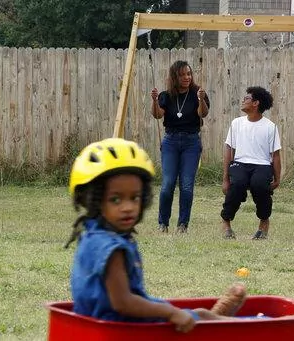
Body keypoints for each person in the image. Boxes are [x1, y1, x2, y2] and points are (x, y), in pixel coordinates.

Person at [65, 138, 249, 333]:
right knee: (197, 317)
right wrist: (169, 312)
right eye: (115, 199)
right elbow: (123, 303)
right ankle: (240, 328)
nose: (128, 207)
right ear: (93, 200)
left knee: (200, 314)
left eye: (134, 198)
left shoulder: (93, 236)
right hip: (123, 327)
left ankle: (218, 317)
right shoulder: (110, 248)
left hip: (102, 321)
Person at [150, 60, 210, 233]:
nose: (187, 77)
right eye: (182, 74)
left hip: (191, 141)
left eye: (189, 74)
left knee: (186, 185)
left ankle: (182, 224)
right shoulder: (166, 95)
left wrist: (201, 100)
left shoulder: (198, 93)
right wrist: (154, 100)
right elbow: (157, 115)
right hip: (171, 141)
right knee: (168, 183)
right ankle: (163, 223)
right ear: (175, 77)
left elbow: (203, 113)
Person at [220, 86, 282, 240]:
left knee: (260, 185)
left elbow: (275, 155)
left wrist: (277, 178)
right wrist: (225, 179)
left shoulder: (271, 127)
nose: (243, 101)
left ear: (256, 103)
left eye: (246, 98)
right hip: (240, 163)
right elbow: (229, 150)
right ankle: (226, 224)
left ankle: (264, 223)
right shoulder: (236, 123)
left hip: (262, 165)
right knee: (238, 184)